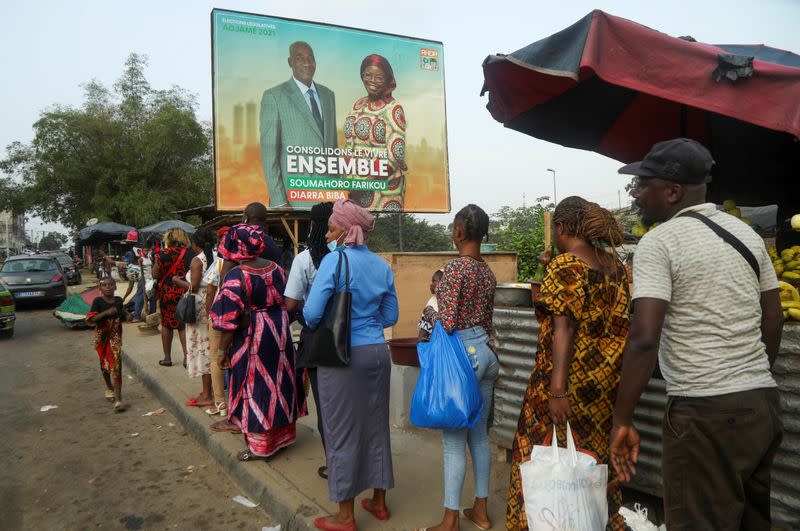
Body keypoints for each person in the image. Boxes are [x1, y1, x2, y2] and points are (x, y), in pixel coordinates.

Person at [609, 138, 784, 531]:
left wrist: (622, 419)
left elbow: (644, 338)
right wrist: (747, 378)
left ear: (672, 192)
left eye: (644, 184)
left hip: (704, 416)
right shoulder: (747, 236)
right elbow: (772, 320)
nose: (637, 193)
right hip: (761, 406)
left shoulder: (659, 243)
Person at [505, 197, 630, 531]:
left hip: (564, 388)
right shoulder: (616, 267)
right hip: (603, 391)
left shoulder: (567, 266)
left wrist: (557, 389)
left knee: (540, 461)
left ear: (560, 228)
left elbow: (565, 327)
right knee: (592, 466)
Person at [303, 198, 398, 531]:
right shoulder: (382, 266)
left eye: (331, 228)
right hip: (377, 353)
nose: (328, 234)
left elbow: (313, 314)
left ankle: (345, 516)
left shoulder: (334, 262)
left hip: (342, 355)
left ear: (345, 230)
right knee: (376, 427)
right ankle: (379, 502)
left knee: (340, 430)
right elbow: (391, 316)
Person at [414, 205, 499, 531]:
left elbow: (447, 323)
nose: (453, 233)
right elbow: (488, 320)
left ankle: (449, 520)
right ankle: (480, 511)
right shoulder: (486, 271)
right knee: (478, 438)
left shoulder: (454, 270)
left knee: (453, 445)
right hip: (486, 355)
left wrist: (430, 313)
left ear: (460, 231)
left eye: (454, 227)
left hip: (463, 357)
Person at [210, 224, 306, 461]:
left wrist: (222, 350)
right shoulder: (277, 269)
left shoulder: (236, 276)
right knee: (280, 383)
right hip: (280, 333)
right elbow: (291, 300)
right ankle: (283, 438)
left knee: (256, 387)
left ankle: (261, 447)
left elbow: (227, 320)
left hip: (254, 338)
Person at [284, 201, 334, 480]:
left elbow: (291, 303)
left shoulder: (305, 259)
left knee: (326, 405)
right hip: (353, 337)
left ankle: (333, 463)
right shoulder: (350, 256)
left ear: (313, 225)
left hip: (318, 339)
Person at [260, 41, 337, 209]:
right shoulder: (274, 96)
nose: (307, 63)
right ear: (290, 62)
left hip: (330, 201)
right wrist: (279, 200)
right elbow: (269, 154)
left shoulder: (328, 95)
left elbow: (333, 148)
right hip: (295, 201)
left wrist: (338, 195)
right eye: (300, 58)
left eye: (311, 58)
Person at [344, 54, 407, 211]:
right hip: (355, 192)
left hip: (383, 193)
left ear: (387, 79)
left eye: (379, 78)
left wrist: (363, 184)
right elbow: (349, 144)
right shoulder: (357, 104)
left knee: (382, 235)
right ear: (362, 75)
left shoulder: (393, 108)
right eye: (368, 75)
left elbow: (395, 157)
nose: (372, 81)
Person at [173, 228, 215, 408]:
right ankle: (210, 390)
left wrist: (177, 281)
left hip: (197, 309)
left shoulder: (197, 260)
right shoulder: (214, 257)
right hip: (209, 305)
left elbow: (194, 287)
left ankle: (207, 394)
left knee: (202, 350)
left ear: (194, 243)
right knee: (209, 347)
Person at [87, 277, 133, 412]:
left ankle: (118, 399)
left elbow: (122, 312)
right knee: (105, 364)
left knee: (116, 364)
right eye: (104, 285)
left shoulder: (118, 300)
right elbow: (91, 319)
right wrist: (106, 313)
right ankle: (109, 387)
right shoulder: (98, 302)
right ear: (100, 289)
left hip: (115, 337)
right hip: (101, 337)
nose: (108, 287)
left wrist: (127, 316)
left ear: (115, 287)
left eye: (110, 285)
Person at [152, 228, 194, 368]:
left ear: (169, 238)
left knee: (167, 325)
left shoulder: (162, 254)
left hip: (167, 293)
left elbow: (155, 275)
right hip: (185, 290)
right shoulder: (191, 253)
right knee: (182, 324)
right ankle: (187, 358)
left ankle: (167, 358)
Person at [203, 226, 231, 420]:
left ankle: (220, 402)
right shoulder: (245, 263)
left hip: (219, 316)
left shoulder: (219, 264)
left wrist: (209, 315)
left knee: (215, 358)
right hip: (239, 317)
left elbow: (210, 292)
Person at [417, 269, 444, 342]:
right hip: (433, 343)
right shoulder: (432, 301)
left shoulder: (451, 301)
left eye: (434, 281)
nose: (431, 284)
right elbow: (424, 329)